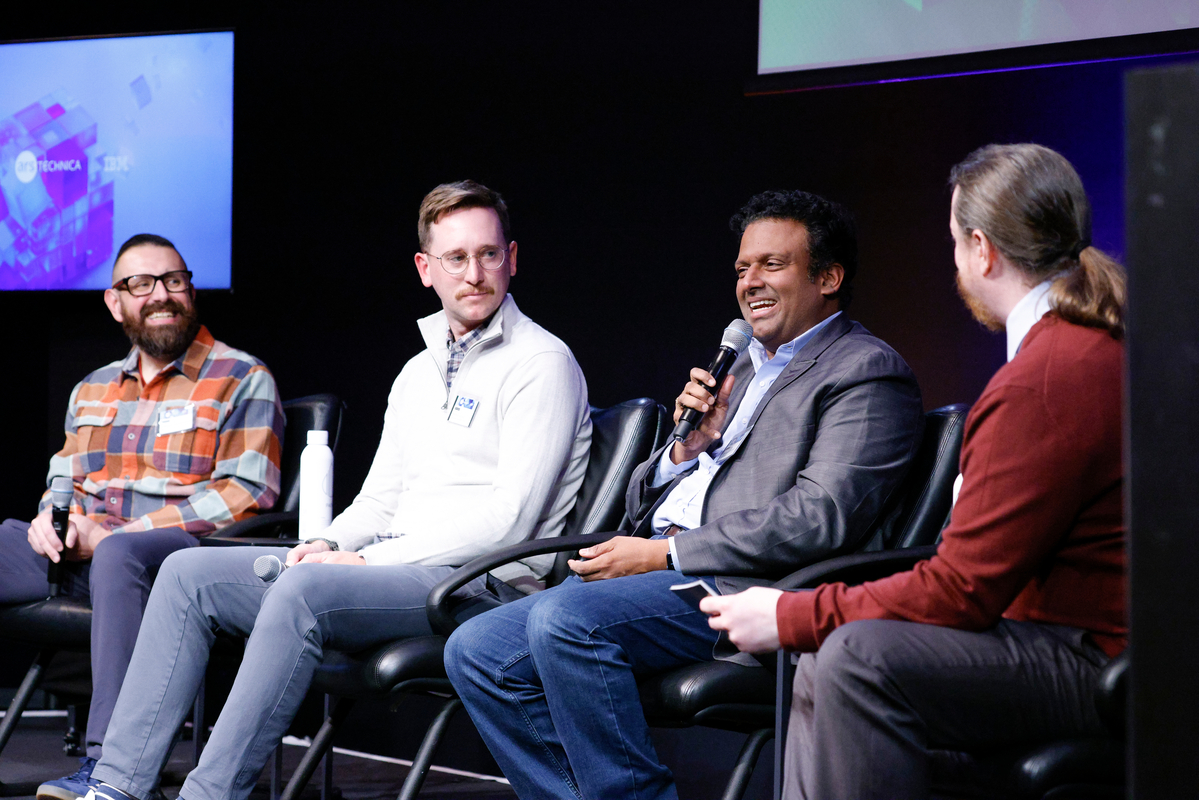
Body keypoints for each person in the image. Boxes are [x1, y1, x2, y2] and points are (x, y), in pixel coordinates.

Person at [83, 180, 592, 800]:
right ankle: (115, 787)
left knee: (308, 588)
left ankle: (208, 795)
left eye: (488, 255)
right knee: (189, 574)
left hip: (480, 587)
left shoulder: (543, 363)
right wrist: (325, 539)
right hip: (397, 572)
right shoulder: (416, 373)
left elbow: (509, 523)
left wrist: (361, 559)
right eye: (455, 258)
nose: (475, 273)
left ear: (512, 259)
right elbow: (380, 500)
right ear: (425, 270)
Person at [445, 189, 925, 800]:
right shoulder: (742, 365)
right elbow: (641, 498)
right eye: (742, 268)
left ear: (829, 277)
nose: (750, 282)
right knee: (475, 651)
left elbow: (822, 516)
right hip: (655, 565)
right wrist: (685, 450)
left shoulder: (864, 371)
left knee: (564, 621)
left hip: (738, 584)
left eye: (772, 265)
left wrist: (667, 555)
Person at [702, 144, 1126, 800]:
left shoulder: (1044, 378)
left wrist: (793, 613)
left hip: (1094, 657)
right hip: (1064, 638)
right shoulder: (1080, 350)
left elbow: (961, 590)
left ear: (981, 249)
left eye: (955, 243)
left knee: (853, 657)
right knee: (836, 655)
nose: (954, 262)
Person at [0, 234, 285, 800]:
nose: (161, 295)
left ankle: (111, 768)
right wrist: (52, 521)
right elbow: (65, 479)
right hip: (85, 554)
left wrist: (115, 534)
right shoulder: (92, 388)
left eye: (173, 280)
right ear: (115, 302)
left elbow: (247, 492)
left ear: (190, 291)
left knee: (118, 554)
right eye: (141, 284)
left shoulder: (242, 376)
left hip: (171, 563)